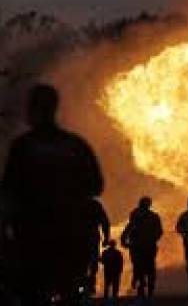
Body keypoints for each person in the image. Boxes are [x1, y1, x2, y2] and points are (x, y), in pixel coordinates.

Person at [1, 84, 103, 303]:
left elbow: (9, 193)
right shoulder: (75, 145)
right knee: (69, 293)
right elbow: (96, 186)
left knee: (33, 295)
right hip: (69, 235)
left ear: (34, 110)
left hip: (33, 238)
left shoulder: (23, 147)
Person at [121, 196, 162, 298]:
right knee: (142, 267)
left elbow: (159, 231)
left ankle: (144, 286)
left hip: (144, 246)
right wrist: (124, 241)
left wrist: (124, 240)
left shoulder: (151, 216)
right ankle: (142, 285)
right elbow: (129, 228)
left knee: (143, 267)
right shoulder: (137, 215)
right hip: (139, 246)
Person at [82, 198, 110, 294]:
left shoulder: (73, 202)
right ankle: (88, 285)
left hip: (80, 238)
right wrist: (106, 237)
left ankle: (84, 286)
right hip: (91, 237)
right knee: (92, 262)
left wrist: (106, 237)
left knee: (86, 263)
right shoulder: (95, 204)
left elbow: (104, 221)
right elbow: (104, 222)